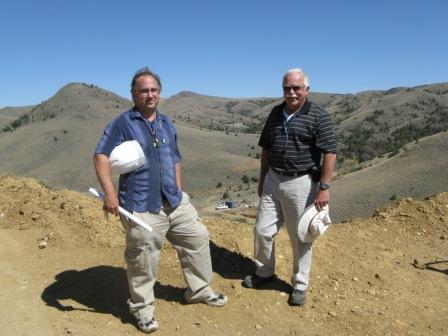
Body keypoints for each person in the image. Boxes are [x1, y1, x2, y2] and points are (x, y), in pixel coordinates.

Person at [94, 67, 227, 333]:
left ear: (160, 93)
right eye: (143, 90)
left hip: (175, 202)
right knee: (143, 260)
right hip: (141, 206)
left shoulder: (166, 122)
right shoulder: (122, 123)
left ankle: (199, 289)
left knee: (197, 239)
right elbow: (101, 156)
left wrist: (180, 190)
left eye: (154, 90)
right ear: (133, 94)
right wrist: (110, 194)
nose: (149, 95)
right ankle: (142, 310)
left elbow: (175, 159)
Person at [242, 68, 337, 306]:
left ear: (306, 89)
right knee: (262, 230)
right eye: (287, 88)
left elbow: (330, 152)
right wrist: (263, 178)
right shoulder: (275, 113)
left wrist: (324, 187)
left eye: (296, 88)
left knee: (301, 236)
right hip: (274, 179)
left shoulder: (319, 115)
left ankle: (300, 284)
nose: (292, 92)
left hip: (302, 182)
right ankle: (264, 272)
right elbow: (266, 148)